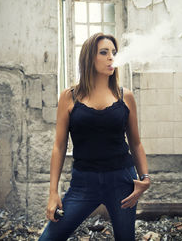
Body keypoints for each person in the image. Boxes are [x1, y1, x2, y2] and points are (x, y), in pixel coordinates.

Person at [38, 33, 151, 241]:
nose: (111, 57)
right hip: (83, 183)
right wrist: (53, 193)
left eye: (114, 53)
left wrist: (145, 178)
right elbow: (59, 147)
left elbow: (135, 143)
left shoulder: (125, 96)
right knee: (48, 239)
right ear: (90, 57)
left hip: (122, 180)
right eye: (104, 52)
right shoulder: (69, 96)